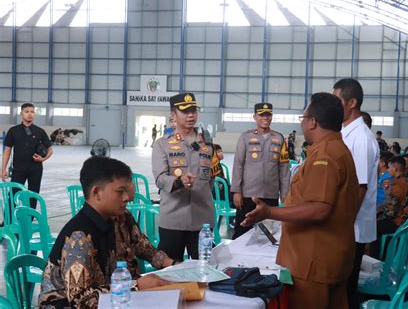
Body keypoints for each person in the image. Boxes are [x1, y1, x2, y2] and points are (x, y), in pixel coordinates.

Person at [241, 92, 360, 308]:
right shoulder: (337, 150)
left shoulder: (325, 156)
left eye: (303, 118)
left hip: (313, 263)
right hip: (328, 257)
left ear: (313, 122)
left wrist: (270, 212)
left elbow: (318, 209)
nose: (303, 123)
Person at [39, 156, 175, 308]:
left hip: (116, 299)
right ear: (96, 193)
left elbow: (142, 246)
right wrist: (135, 286)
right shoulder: (79, 237)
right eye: (120, 191)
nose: (127, 198)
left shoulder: (120, 217)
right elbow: (81, 300)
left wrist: (173, 264)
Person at [152, 92, 221, 261]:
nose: (191, 115)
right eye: (185, 111)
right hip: (173, 220)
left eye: (193, 110)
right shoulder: (162, 144)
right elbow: (160, 178)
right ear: (173, 115)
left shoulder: (208, 144)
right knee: (169, 272)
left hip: (202, 221)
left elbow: (211, 179)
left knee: (205, 271)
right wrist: (179, 181)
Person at [332, 78, 379, 309]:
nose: (333, 106)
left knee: (346, 291)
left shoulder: (360, 138)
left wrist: (343, 224)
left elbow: (359, 188)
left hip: (352, 228)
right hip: (348, 225)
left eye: (337, 100)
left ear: (351, 103)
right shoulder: (347, 133)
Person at [231, 103, 290, 239]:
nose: (265, 118)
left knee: (269, 235)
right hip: (247, 195)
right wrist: (236, 191)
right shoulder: (245, 137)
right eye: (261, 115)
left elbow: (284, 168)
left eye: (268, 115)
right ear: (255, 116)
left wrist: (285, 192)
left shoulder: (279, 138)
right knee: (242, 231)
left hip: (270, 195)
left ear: (272, 117)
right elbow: (238, 164)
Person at [1, 103, 53, 210]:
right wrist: (3, 169)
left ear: (35, 114)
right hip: (18, 169)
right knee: (13, 194)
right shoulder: (13, 131)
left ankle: (29, 220)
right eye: (27, 111)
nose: (30, 114)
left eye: (32, 111)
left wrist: (43, 159)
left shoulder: (40, 131)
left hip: (36, 169)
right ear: (21, 114)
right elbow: (7, 151)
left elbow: (50, 150)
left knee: (33, 195)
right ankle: (9, 221)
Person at [372, 156, 408, 257]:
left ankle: (377, 257)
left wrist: (376, 216)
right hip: (404, 218)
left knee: (373, 226)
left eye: (389, 168)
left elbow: (390, 213)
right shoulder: (405, 181)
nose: (388, 170)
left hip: (397, 222)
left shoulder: (396, 187)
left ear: (395, 169)